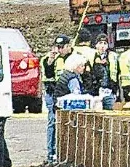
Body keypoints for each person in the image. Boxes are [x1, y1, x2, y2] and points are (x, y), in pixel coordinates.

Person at [42, 35, 74, 165]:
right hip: (54, 94)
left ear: (68, 46)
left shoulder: (74, 57)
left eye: (62, 47)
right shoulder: (52, 58)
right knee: (52, 122)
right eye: (57, 47)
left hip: (68, 94)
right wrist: (50, 61)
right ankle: (51, 154)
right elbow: (49, 75)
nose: (59, 50)